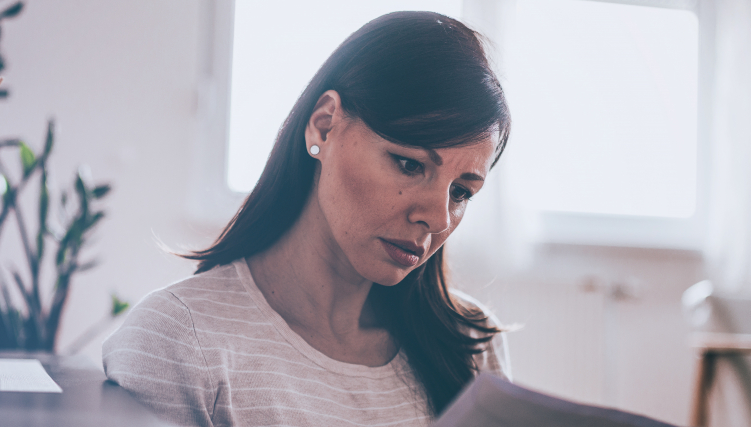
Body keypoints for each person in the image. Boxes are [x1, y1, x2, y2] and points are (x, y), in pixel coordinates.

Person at [103, 11, 512, 426]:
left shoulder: (472, 344)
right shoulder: (178, 341)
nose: (437, 218)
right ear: (324, 126)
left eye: (461, 192)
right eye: (409, 165)